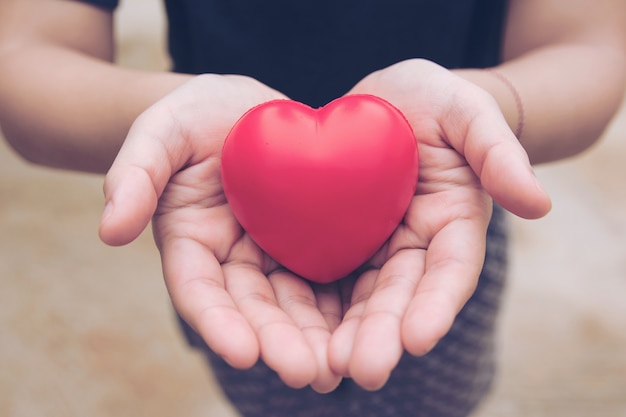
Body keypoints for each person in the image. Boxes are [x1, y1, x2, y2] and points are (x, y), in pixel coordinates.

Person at [0, 0, 624, 416]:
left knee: (436, 393)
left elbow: (591, 46)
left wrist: (477, 110)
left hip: (443, 208)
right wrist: (170, 119)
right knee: (268, 390)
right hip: (226, 222)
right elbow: (25, 57)